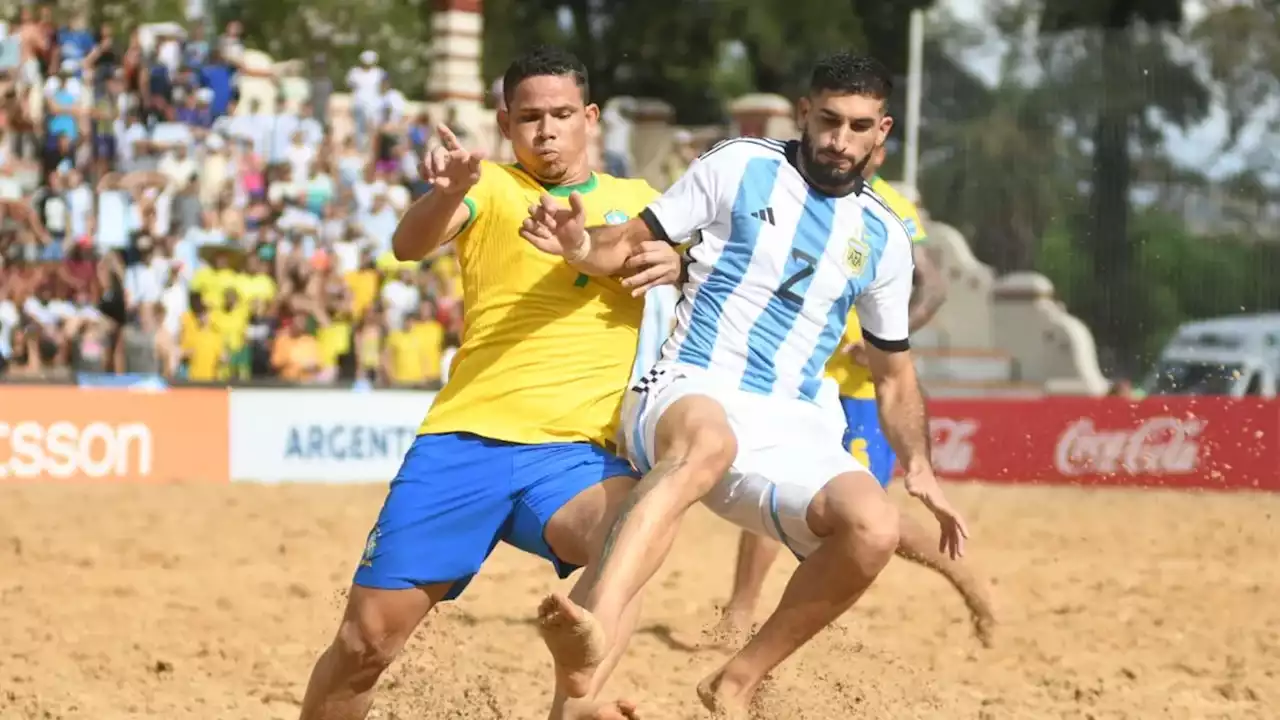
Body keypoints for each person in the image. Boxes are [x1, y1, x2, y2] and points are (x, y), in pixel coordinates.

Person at [518, 52, 969, 718]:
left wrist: (921, 463)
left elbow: (895, 374)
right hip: (689, 381)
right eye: (829, 121)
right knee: (707, 445)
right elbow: (631, 242)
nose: (840, 141)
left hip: (792, 420)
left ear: (883, 131)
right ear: (805, 112)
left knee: (873, 528)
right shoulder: (741, 166)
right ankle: (591, 624)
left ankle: (736, 680)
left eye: (858, 126)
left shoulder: (883, 237)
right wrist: (583, 246)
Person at [296, 47, 681, 720]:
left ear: (589, 118)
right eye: (529, 117)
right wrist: (445, 191)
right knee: (364, 646)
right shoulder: (490, 187)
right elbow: (408, 246)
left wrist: (676, 261)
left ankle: (577, 704)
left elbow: (688, 262)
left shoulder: (639, 203)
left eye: (562, 114)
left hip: (573, 459)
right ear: (506, 124)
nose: (547, 130)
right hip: (462, 444)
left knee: (636, 521)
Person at [712, 143, 997, 649]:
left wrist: (888, 340)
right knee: (773, 485)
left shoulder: (890, 210)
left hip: (861, 393)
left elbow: (931, 288)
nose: (844, 148)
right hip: (798, 383)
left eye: (862, 139)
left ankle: (969, 581)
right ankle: (740, 611)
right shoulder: (794, 193)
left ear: (879, 151)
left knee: (869, 515)